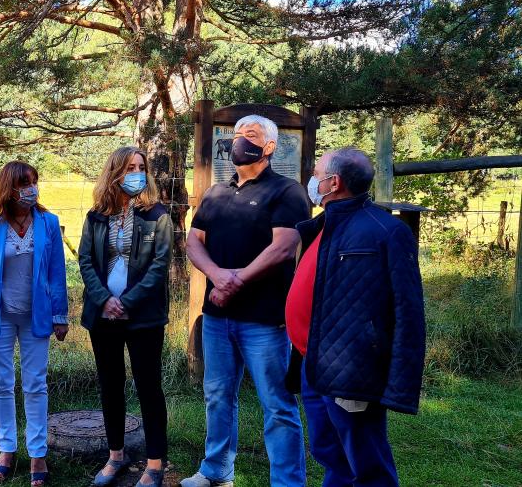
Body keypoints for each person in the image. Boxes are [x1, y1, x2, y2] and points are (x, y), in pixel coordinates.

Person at [183, 115, 309, 487]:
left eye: (251, 136)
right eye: (237, 135)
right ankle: (217, 471)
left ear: (270, 147)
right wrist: (219, 276)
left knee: (277, 405)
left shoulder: (288, 192)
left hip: (264, 320)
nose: (241, 142)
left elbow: (284, 246)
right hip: (217, 318)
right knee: (218, 396)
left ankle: (287, 482)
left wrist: (236, 279)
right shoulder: (216, 193)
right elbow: (193, 242)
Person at [286, 148, 425, 486]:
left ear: (333, 183)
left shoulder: (386, 231)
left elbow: (409, 313)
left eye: (316, 172)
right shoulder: (323, 225)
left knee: (366, 461)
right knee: (329, 452)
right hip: (312, 363)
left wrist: (399, 387)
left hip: (352, 370)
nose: (312, 179)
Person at [0, 161, 70, 487]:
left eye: (34, 182)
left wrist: (60, 315)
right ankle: (7, 448)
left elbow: (57, 273)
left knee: (36, 383)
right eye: (25, 183)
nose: (31, 189)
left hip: (35, 316)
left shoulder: (48, 222)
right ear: (8, 188)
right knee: (1, 383)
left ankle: (37, 452)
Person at [79, 146, 173, 487]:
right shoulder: (96, 216)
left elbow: (160, 265)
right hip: (102, 316)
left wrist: (127, 301)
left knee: (148, 386)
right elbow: (86, 261)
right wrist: (105, 299)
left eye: (141, 167)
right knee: (110, 386)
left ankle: (155, 462)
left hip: (143, 316)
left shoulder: (157, 215)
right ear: (114, 171)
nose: (137, 172)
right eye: (130, 167)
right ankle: (115, 455)